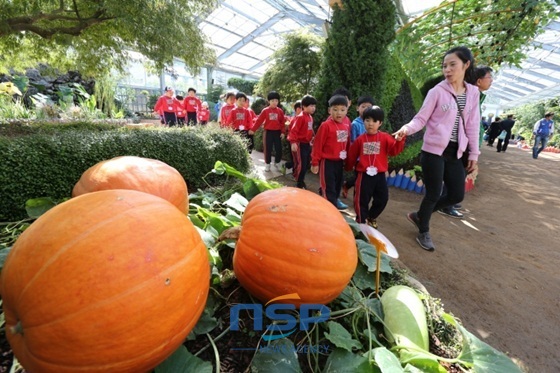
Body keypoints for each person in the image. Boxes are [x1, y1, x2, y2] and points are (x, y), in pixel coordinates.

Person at [393, 46, 480, 251]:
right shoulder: (437, 92)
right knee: (433, 193)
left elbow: (472, 125)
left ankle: (419, 215)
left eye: (452, 65)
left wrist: (474, 153)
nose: (447, 70)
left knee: (456, 195)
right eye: (444, 66)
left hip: (455, 152)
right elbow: (421, 119)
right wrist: (406, 129)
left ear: (466, 65)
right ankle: (424, 230)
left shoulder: (472, 94)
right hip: (433, 151)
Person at [439, 65, 493, 219]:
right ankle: (446, 204)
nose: (491, 81)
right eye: (489, 77)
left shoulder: (476, 96)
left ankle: (448, 202)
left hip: (468, 143)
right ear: (478, 81)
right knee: (457, 173)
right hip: (463, 143)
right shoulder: (465, 95)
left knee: (459, 173)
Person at [346, 106, 405, 229]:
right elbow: (352, 155)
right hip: (363, 175)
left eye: (374, 121)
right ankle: (361, 222)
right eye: (367, 120)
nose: (370, 124)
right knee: (361, 199)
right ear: (363, 121)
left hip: (379, 175)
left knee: (382, 198)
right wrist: (348, 167)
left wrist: (399, 141)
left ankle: (371, 216)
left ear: (380, 123)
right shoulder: (360, 140)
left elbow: (394, 151)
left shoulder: (385, 137)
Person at [311, 94, 351, 208]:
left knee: (337, 186)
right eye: (335, 109)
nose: (339, 113)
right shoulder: (325, 126)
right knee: (328, 188)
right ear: (329, 110)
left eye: (342, 110)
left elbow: (347, 144)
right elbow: (317, 145)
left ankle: (332, 207)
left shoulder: (346, 126)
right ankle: (328, 209)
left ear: (347, 110)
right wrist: (315, 162)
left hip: (339, 162)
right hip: (327, 162)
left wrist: (348, 161)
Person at [342, 95, 375, 198]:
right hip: (358, 158)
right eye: (363, 106)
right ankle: (357, 199)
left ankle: (347, 185)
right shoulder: (355, 124)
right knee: (359, 178)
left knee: (363, 178)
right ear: (357, 108)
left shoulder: (373, 123)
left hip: (368, 157)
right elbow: (352, 142)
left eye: (369, 107)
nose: (366, 109)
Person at [249, 91, 286, 172]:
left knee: (278, 148)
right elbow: (259, 121)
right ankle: (267, 164)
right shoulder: (265, 111)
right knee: (267, 148)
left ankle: (277, 162)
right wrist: (253, 129)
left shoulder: (280, 111)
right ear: (268, 101)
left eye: (276, 100)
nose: (274, 102)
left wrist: (283, 132)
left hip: (277, 132)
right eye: (272, 101)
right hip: (268, 132)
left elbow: (282, 122)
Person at [288, 96, 317, 189]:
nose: (313, 108)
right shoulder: (300, 117)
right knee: (302, 164)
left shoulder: (310, 117)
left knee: (305, 164)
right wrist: (293, 142)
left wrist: (313, 137)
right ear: (304, 106)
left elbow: (310, 129)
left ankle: (300, 180)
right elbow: (293, 131)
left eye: (314, 106)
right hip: (300, 144)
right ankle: (299, 182)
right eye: (311, 106)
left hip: (307, 144)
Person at [282, 100, 303, 173]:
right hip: (293, 142)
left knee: (298, 159)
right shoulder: (294, 119)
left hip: (300, 142)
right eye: (302, 107)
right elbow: (287, 127)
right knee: (294, 159)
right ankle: (291, 170)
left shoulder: (304, 118)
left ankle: (293, 170)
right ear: (298, 109)